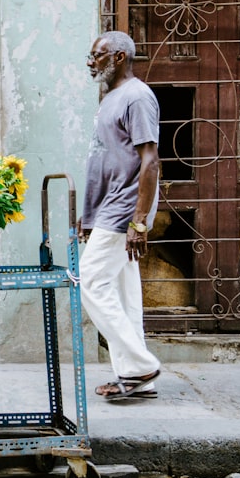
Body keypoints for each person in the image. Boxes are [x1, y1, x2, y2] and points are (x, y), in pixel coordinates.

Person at [78, 30, 162, 401]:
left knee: (91, 280)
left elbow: (150, 161)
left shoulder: (138, 97)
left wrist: (138, 221)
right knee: (124, 293)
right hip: (108, 208)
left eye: (97, 55)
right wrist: (89, 215)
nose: (90, 61)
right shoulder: (112, 97)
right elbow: (106, 159)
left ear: (120, 58)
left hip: (124, 209)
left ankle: (140, 365)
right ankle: (140, 380)